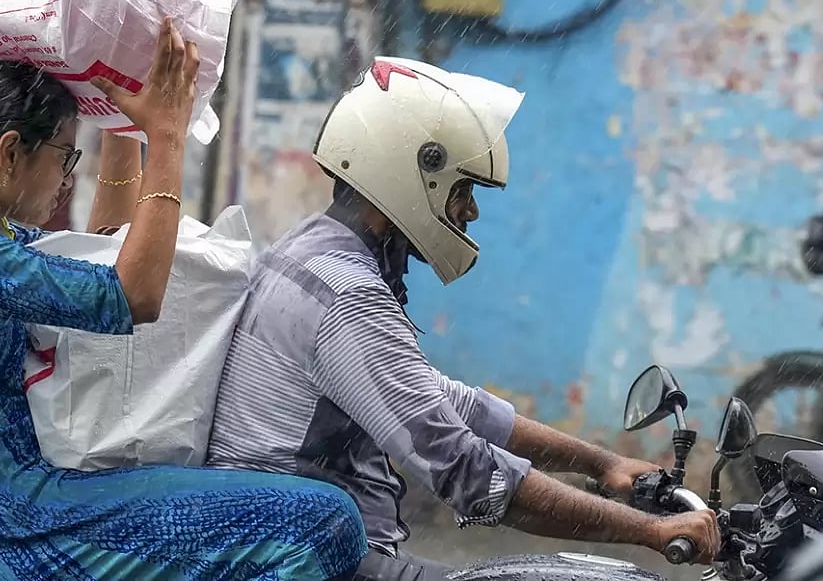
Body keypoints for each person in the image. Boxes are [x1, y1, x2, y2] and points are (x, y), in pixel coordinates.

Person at [0, 21, 369, 581]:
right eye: (64, 158)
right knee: (325, 522)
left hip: (4, 521)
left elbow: (100, 255)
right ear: (10, 153)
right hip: (14, 532)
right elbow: (132, 294)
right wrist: (167, 138)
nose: (68, 179)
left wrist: (122, 123)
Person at [206, 57, 721, 577]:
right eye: (462, 190)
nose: (469, 212)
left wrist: (601, 463)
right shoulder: (349, 297)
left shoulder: (306, 253)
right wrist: (650, 531)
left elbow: (446, 402)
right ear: (410, 175)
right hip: (307, 559)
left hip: (286, 543)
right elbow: (468, 473)